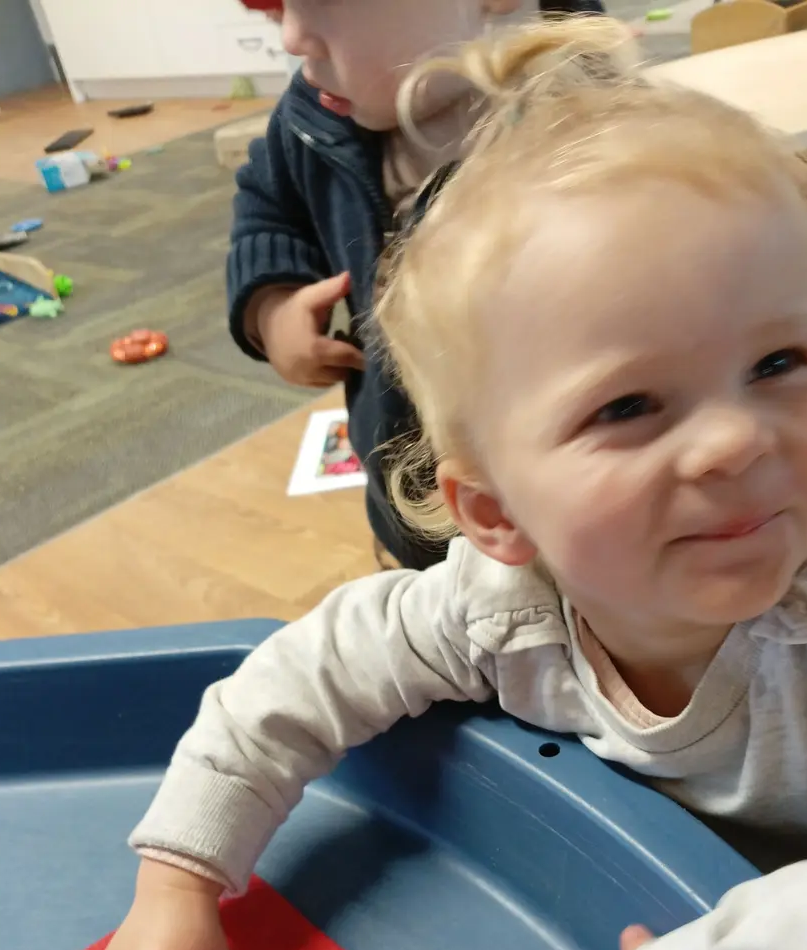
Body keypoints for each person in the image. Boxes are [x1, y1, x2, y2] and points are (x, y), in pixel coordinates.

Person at [100, 18, 807, 950]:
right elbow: (292, 681)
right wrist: (179, 877)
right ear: (495, 513)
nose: (736, 441)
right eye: (629, 405)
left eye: (778, 362)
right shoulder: (497, 609)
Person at [231, 0, 605, 571]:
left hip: (570, 532)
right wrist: (272, 307)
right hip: (410, 515)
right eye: (276, 12)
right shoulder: (311, 118)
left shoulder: (588, 125)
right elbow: (268, 204)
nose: (293, 40)